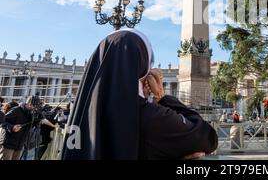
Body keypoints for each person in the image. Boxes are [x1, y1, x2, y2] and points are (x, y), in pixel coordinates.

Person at [62, 29, 218, 160]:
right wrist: (162, 98)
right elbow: (208, 138)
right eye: (149, 63)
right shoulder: (149, 116)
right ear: (141, 66)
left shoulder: (80, 112)